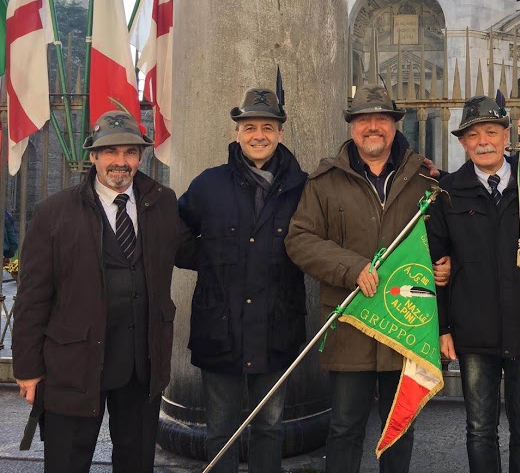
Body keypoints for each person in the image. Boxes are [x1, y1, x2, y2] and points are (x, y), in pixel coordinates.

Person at [12, 111, 190, 473]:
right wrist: (28, 369)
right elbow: (32, 297)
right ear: (93, 156)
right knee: (66, 462)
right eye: (110, 151)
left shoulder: (163, 202)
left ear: (141, 157)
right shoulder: (53, 213)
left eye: (129, 152)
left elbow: (192, 249)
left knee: (137, 462)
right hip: (75, 365)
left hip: (143, 363)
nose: (120, 162)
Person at [285, 84, 449, 473]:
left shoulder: (425, 181)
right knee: (344, 428)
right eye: (363, 120)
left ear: (395, 126)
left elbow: (443, 238)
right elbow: (300, 240)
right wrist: (351, 266)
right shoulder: (324, 182)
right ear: (352, 127)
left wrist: (446, 264)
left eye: (381, 119)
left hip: (405, 322)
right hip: (351, 322)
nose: (372, 127)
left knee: (400, 427)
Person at [176, 88, 308, 473]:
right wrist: (210, 260)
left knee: (269, 426)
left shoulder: (304, 187)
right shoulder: (208, 184)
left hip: (277, 325)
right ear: (237, 133)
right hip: (221, 327)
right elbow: (176, 231)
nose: (259, 135)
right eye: (250, 127)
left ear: (280, 133)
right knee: (220, 429)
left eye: (268, 127)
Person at [428, 95, 520, 473]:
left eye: (491, 131)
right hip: (474, 331)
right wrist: (443, 327)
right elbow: (435, 265)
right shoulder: (447, 193)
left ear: (507, 137)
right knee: (480, 429)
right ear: (462, 142)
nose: (483, 141)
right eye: (473, 135)